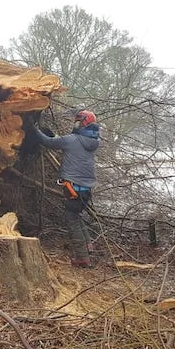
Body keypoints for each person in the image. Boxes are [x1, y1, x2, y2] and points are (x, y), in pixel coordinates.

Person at [28, 110, 100, 268]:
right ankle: (88, 245)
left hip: (73, 186)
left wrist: (33, 129)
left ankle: (82, 257)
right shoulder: (92, 142)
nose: (75, 125)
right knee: (76, 214)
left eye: (77, 122)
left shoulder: (73, 139)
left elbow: (48, 142)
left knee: (71, 218)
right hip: (86, 188)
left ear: (83, 124)